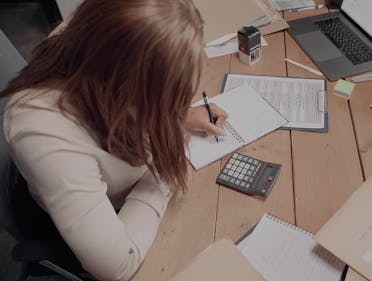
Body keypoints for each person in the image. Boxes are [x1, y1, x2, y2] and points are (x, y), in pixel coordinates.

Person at [0, 0, 227, 280]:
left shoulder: (98, 44)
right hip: (107, 210)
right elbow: (118, 266)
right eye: (161, 100)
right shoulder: (45, 132)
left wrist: (181, 113)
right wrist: (162, 173)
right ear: (122, 88)